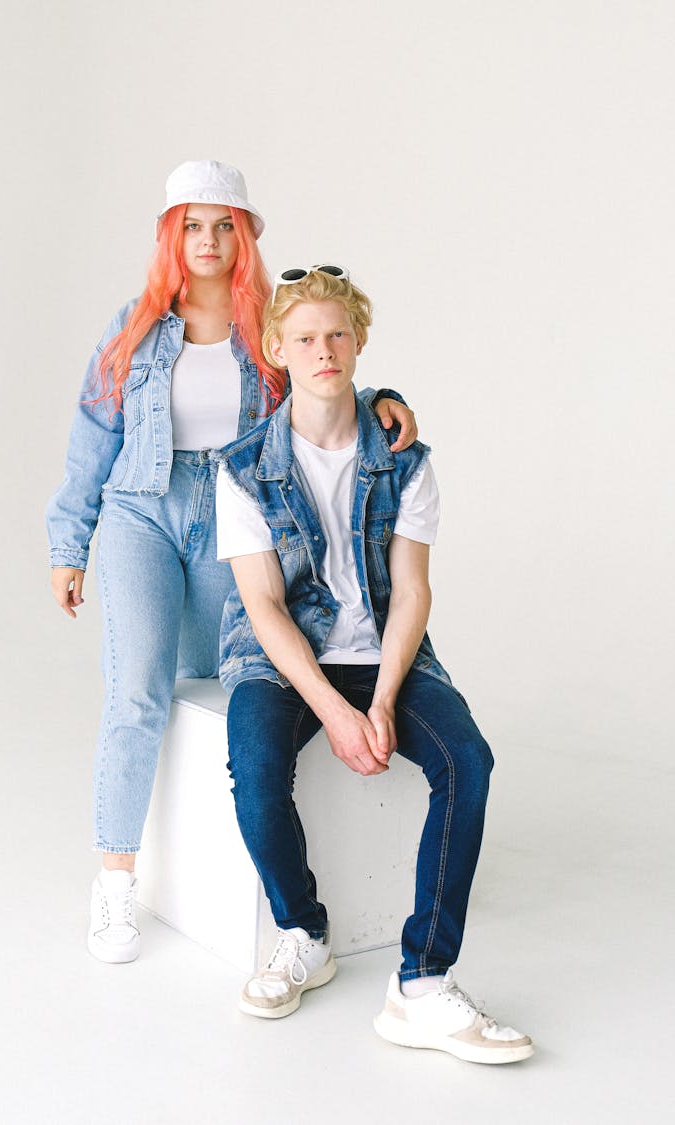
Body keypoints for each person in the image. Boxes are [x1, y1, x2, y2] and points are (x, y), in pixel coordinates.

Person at [45, 161, 418, 965]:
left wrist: (382, 397)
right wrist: (68, 544)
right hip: (142, 507)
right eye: (191, 225)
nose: (207, 240)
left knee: (220, 684)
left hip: (233, 513)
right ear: (170, 236)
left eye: (223, 225)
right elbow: (89, 443)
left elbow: (326, 376)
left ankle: (220, 868)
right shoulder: (135, 327)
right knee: (138, 690)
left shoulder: (267, 330)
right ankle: (115, 883)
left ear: (244, 236)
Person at [215, 267, 533, 1064]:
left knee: (468, 761)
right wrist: (332, 707)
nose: (322, 350)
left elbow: (413, 590)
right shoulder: (243, 467)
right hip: (279, 658)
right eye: (305, 338)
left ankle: (422, 981)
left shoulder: (407, 457)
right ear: (276, 350)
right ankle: (303, 931)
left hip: (387, 652)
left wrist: (385, 696)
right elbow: (264, 608)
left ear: (358, 342)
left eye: (336, 335)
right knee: (254, 766)